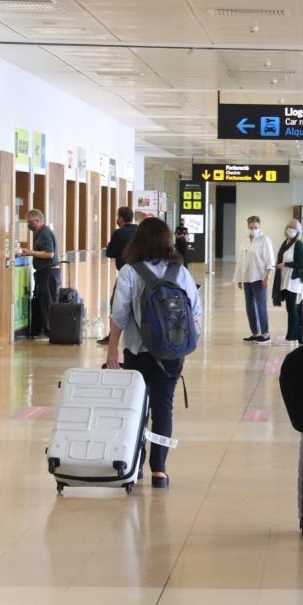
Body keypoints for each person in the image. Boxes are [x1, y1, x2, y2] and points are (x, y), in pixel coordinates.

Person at [103, 217, 202, 489]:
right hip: (171, 355)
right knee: (163, 409)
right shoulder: (179, 272)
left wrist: (113, 350)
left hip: (137, 352)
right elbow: (195, 312)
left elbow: (119, 315)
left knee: (137, 409)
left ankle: (136, 463)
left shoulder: (129, 272)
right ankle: (160, 469)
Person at [97, 206, 137, 345]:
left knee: (116, 303)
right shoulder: (140, 231)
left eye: (117, 217)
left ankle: (112, 336)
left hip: (125, 273)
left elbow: (110, 252)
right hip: (142, 274)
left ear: (121, 218)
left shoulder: (119, 233)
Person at [233, 215, 274, 344]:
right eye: (251, 227)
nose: (253, 229)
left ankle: (265, 333)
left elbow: (270, 261)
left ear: (259, 226)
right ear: (247, 226)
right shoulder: (245, 240)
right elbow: (241, 260)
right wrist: (239, 278)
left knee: (261, 306)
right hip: (247, 278)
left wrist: (266, 278)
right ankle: (255, 333)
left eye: (255, 227)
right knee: (249, 306)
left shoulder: (264, 240)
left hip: (259, 278)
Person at [20, 209, 60, 339]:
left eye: (30, 222)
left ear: (37, 221)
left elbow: (49, 253)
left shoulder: (44, 233)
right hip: (45, 272)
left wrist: (31, 252)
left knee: (47, 302)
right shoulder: (40, 233)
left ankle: (51, 331)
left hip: (48, 272)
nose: (28, 225)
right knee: (44, 301)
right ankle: (47, 330)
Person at [275, 219, 303, 343]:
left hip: (293, 281)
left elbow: (301, 264)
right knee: (289, 308)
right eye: (288, 226)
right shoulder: (286, 243)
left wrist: (285, 264)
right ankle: (291, 333)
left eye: (293, 227)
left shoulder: (298, 244)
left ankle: (292, 334)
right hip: (285, 279)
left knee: (291, 307)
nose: (290, 228)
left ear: (297, 230)